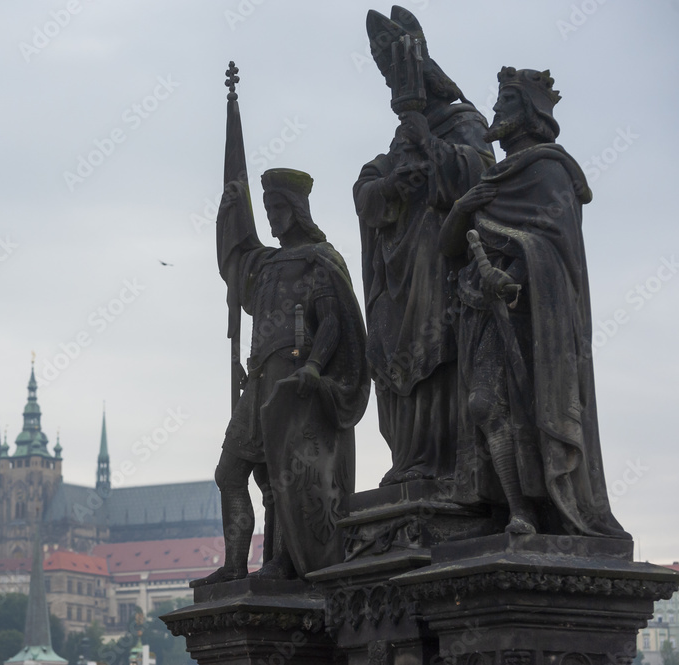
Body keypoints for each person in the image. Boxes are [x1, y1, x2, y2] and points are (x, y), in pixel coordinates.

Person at [440, 67, 628, 538]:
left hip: (531, 315)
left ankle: (539, 510)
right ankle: (514, 507)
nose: (497, 108)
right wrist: (464, 207)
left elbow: (555, 246)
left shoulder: (549, 169)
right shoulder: (492, 179)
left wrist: (516, 277)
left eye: (505, 101)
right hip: (483, 312)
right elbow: (449, 246)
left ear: (527, 112)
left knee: (528, 409)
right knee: (486, 406)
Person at [191, 168, 369, 586]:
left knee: (283, 478)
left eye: (277, 208)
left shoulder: (319, 259)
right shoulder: (268, 263)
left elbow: (331, 323)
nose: (271, 217)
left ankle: (284, 561)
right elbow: (235, 261)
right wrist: (233, 210)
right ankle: (235, 565)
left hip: (293, 384)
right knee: (230, 474)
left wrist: (313, 366)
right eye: (267, 208)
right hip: (258, 381)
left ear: (296, 209)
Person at [355, 7, 495, 486]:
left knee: (438, 352)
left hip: (440, 266)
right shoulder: (396, 140)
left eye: (400, 76)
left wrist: (431, 151)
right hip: (396, 277)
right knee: (393, 355)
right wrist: (392, 183)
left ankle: (444, 461)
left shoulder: (464, 122)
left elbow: (482, 175)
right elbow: (369, 189)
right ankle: (410, 457)